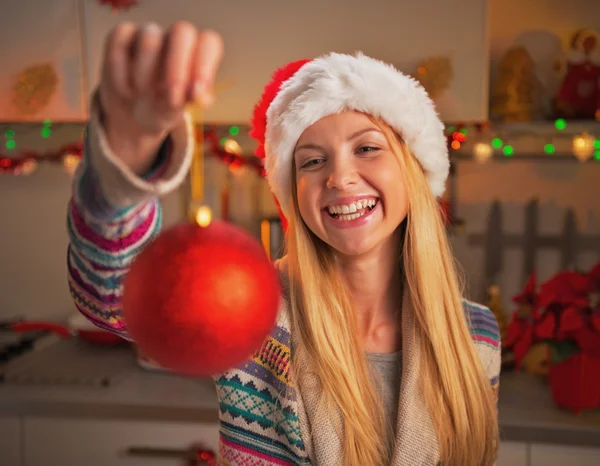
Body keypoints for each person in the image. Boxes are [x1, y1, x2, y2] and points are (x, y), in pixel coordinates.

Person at [67, 21, 500, 466]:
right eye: (312, 161)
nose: (339, 177)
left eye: (367, 148)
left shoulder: (477, 336)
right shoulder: (254, 314)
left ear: (413, 171)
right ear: (294, 192)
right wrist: (123, 175)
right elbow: (116, 299)